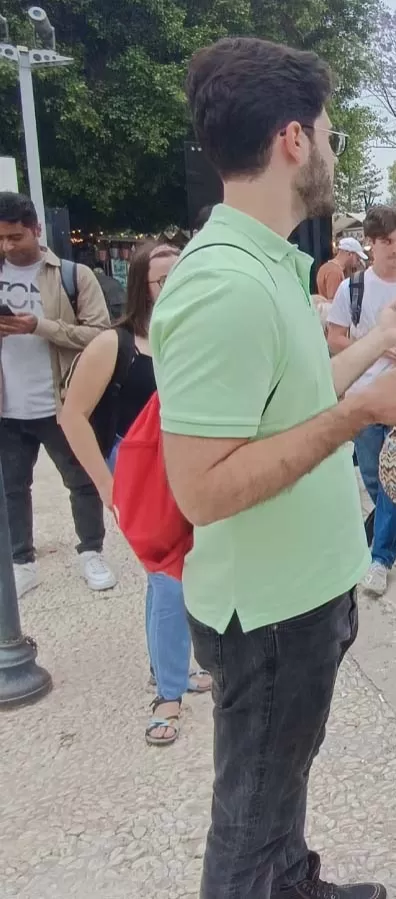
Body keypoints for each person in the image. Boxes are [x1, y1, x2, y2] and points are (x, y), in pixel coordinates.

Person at [153, 37, 396, 899]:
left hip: (300, 595)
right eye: (328, 132)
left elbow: (291, 396)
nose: (331, 148)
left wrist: (376, 346)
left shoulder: (268, 263)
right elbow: (203, 487)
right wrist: (361, 412)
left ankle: (293, 881)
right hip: (270, 614)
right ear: (293, 139)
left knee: (281, 783)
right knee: (249, 820)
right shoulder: (226, 285)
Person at [60, 241, 212, 746]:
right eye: (163, 279)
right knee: (170, 577)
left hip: (180, 469)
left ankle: (167, 669)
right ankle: (168, 693)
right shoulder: (115, 344)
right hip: (137, 472)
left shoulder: (189, 337)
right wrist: (106, 485)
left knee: (163, 575)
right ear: (142, 287)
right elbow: (72, 415)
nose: (175, 285)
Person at [0, 191, 116, 598]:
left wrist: (40, 327)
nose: (7, 246)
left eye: (15, 237)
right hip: (7, 405)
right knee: (12, 487)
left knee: (81, 481)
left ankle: (92, 552)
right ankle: (21, 560)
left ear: (36, 229)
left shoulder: (72, 276)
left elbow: (100, 334)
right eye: (1, 238)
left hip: (61, 400)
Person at [327, 206, 396, 594]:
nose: (395, 249)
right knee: (376, 476)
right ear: (371, 243)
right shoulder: (352, 288)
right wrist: (377, 344)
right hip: (364, 394)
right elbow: (335, 337)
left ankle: (380, 557)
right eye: (387, 241)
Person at [317, 236, 367, 301]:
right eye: (357, 258)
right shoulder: (335, 272)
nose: (358, 262)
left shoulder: (327, 267)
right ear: (350, 254)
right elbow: (334, 301)